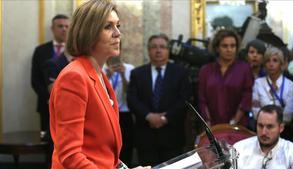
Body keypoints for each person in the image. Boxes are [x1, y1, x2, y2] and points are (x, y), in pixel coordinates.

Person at [49, 1, 150, 168]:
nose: (118, 34)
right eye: (108, 27)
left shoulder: (100, 75)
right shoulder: (74, 76)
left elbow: (102, 153)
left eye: (118, 26)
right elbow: (70, 155)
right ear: (88, 32)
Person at [127, 33, 191, 166]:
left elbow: (184, 99)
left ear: (168, 50)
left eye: (162, 47)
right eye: (154, 47)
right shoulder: (137, 73)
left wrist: (165, 118)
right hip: (145, 137)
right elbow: (132, 99)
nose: (158, 50)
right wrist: (149, 116)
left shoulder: (181, 73)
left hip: (172, 136)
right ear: (148, 50)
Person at [198, 29, 253, 126]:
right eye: (225, 46)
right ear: (217, 48)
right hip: (211, 126)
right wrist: (208, 122)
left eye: (233, 46)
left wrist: (235, 121)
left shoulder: (244, 69)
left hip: (238, 126)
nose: (229, 49)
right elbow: (202, 100)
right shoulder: (206, 70)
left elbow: (247, 98)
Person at [31, 14, 69, 135]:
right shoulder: (40, 51)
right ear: (52, 28)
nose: (64, 29)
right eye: (60, 26)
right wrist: (49, 98)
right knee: (47, 142)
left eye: (67, 26)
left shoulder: (75, 51)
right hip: (46, 106)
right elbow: (35, 79)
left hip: (70, 106)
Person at [234, 105, 293, 169]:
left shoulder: (291, 152)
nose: (264, 132)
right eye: (260, 126)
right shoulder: (239, 149)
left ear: (281, 128)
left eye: (270, 127)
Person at [104, 56, 135, 167]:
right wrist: (108, 75)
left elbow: (130, 93)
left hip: (124, 113)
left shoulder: (129, 68)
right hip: (106, 113)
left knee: (126, 146)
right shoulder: (101, 69)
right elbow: (100, 91)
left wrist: (122, 74)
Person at [252, 47, 293, 124]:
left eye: (275, 60)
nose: (271, 64)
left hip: (283, 128)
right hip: (262, 126)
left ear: (281, 64)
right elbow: (256, 111)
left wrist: (275, 125)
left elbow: (289, 114)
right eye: (268, 61)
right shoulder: (258, 83)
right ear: (265, 64)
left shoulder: (290, 85)